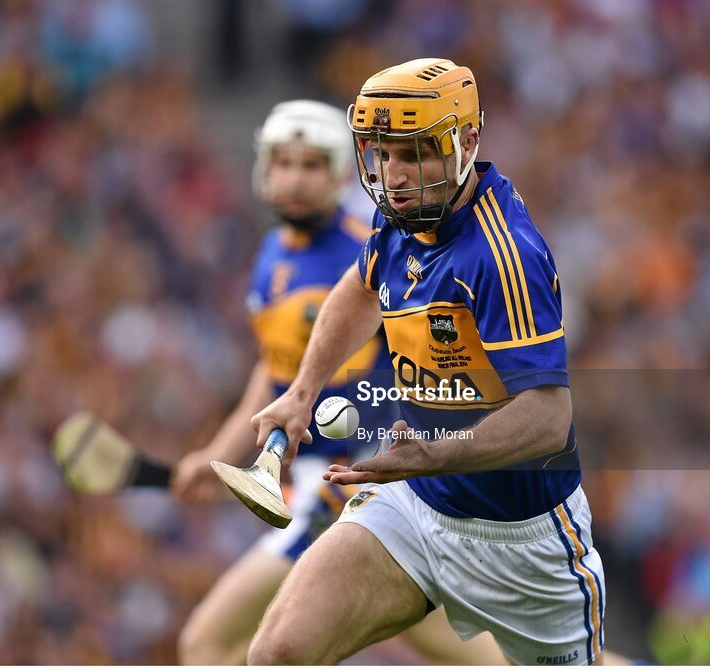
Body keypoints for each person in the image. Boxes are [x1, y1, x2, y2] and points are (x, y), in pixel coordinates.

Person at [247, 59, 606, 665]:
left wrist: (433, 454)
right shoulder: (403, 213)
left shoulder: (502, 253)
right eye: (382, 154)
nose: (395, 176)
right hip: (414, 504)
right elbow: (362, 286)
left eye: (414, 154)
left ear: (467, 141)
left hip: (524, 543)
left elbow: (547, 418)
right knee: (277, 653)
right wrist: (303, 389)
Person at [171, 99, 505, 665]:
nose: (296, 179)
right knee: (465, 649)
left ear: (338, 174)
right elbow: (277, 371)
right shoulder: (273, 253)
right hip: (318, 482)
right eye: (285, 163)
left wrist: (375, 465)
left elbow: (434, 365)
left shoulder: (370, 247)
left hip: (350, 484)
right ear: (264, 171)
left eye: (312, 165)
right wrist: (216, 453)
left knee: (210, 641)